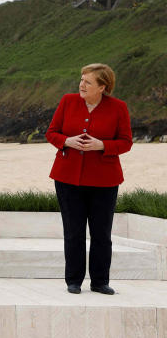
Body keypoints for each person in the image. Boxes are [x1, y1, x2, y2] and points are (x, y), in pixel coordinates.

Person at [45, 63, 132, 295]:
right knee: (73, 232)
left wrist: (102, 145)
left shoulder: (118, 108)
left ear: (102, 87)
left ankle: (100, 281)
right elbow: (51, 133)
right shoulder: (67, 101)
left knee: (101, 233)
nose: (81, 84)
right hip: (67, 178)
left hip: (105, 180)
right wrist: (67, 141)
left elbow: (126, 142)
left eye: (88, 81)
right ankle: (73, 281)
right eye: (81, 79)